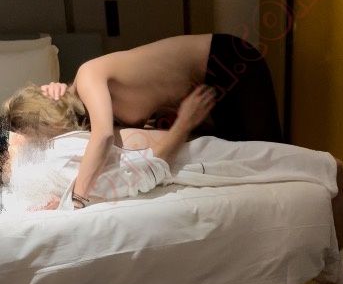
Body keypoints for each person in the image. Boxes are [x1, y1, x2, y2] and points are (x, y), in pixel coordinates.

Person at [2, 83, 343, 284]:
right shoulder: (56, 155)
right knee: (333, 168)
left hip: (193, 155)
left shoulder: (39, 153)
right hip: (193, 160)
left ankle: (332, 265)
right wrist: (184, 123)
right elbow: (136, 176)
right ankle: (336, 269)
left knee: (322, 172)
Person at [33, 33, 283, 206]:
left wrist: (77, 198)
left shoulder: (87, 76)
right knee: (253, 164)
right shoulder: (94, 111)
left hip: (225, 60)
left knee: (274, 155)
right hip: (204, 87)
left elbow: (103, 137)